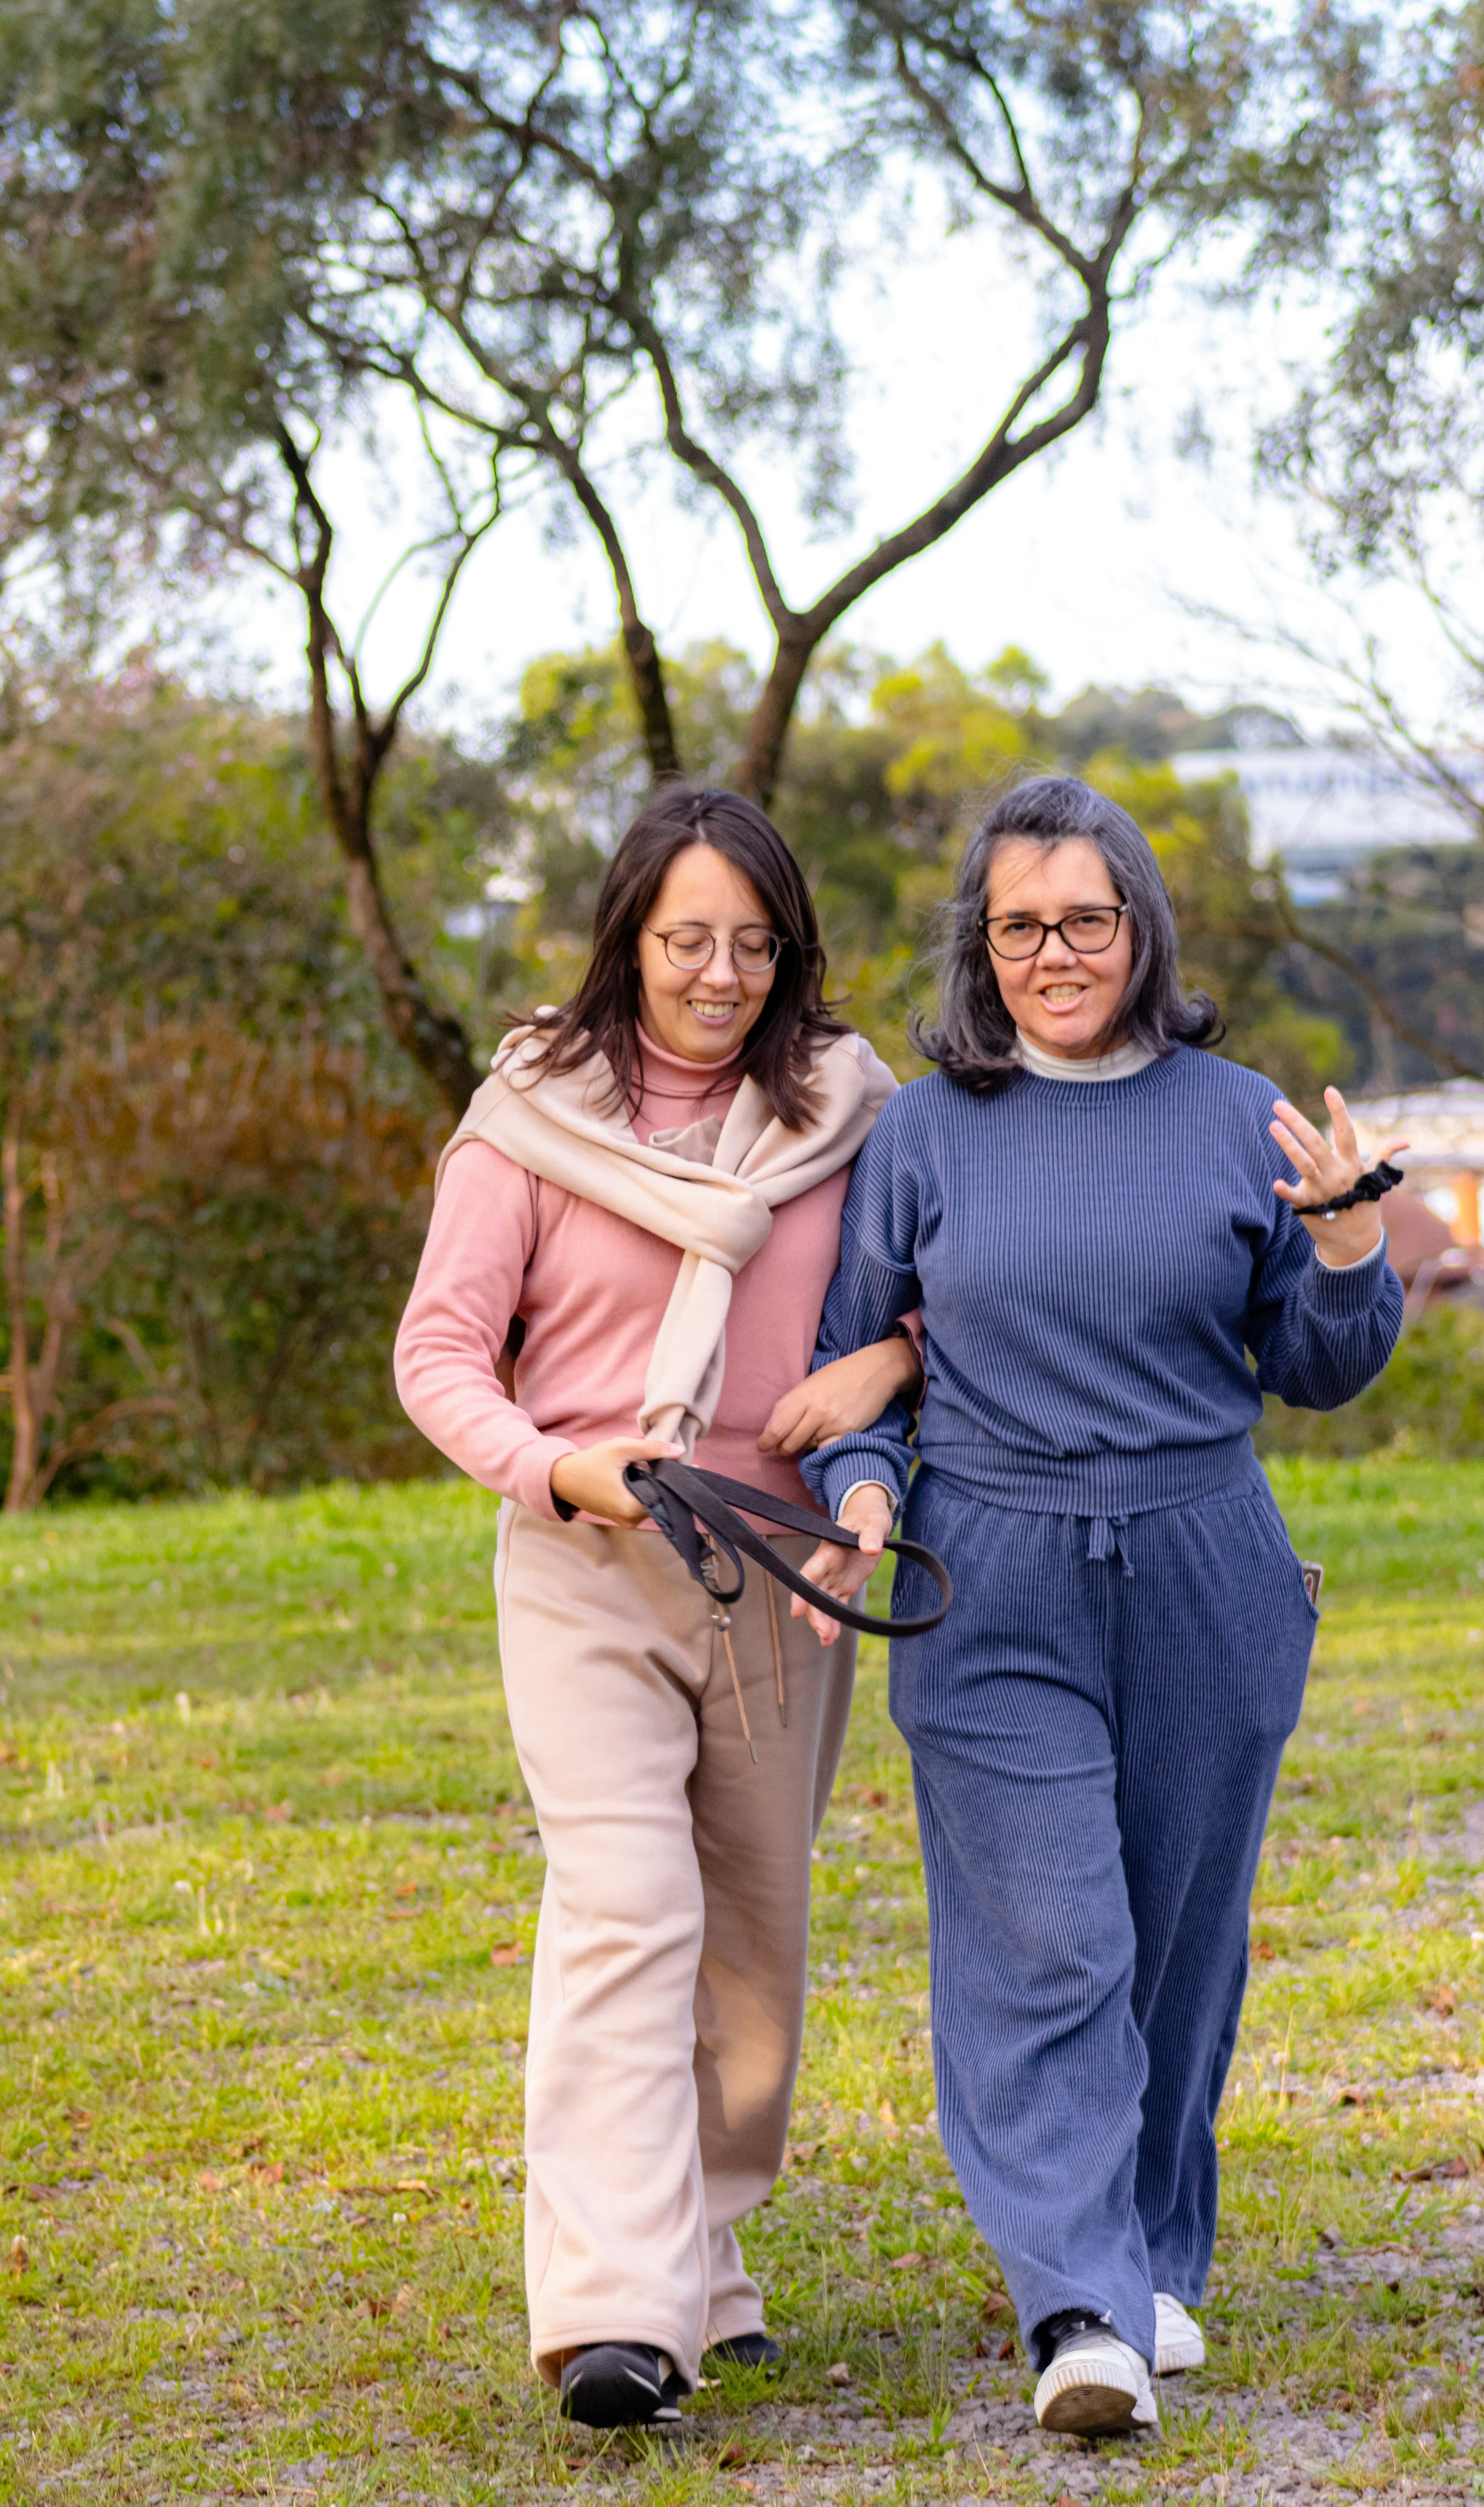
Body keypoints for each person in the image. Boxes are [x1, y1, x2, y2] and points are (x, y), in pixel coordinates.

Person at [796, 773, 1405, 2437]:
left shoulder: (1236, 1115)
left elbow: (1319, 1368)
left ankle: (1145, 2252)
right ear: (979, 949)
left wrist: (1349, 1251)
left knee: (1175, 1948)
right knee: (1050, 1939)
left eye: (1083, 919)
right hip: (994, 1578)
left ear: (1139, 927)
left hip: (1208, 1565)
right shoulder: (924, 1132)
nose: (1052, 953)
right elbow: (855, 1367)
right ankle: (1082, 2310)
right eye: (1018, 927)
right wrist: (860, 1493)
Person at [394, 785, 917, 2431]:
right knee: (627, 1905)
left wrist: (887, 1371)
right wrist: (558, 1471)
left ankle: (704, 2247)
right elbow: (438, 1358)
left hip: (784, 1569)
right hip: (588, 1560)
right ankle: (617, 2312)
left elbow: (928, 1296)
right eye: (689, 938)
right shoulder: (529, 1118)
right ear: (629, 932)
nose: (720, 975)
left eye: (755, 945)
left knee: (755, 1945)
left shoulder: (852, 1103)